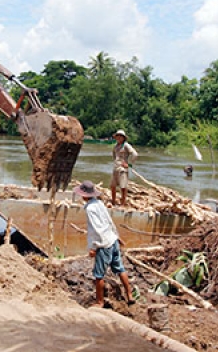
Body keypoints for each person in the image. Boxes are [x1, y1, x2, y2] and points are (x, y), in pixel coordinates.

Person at [73, 180, 136, 308]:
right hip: (112, 240)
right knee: (120, 268)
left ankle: (100, 302)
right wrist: (117, 236)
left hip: (104, 244)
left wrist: (93, 248)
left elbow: (96, 230)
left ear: (84, 195)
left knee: (98, 274)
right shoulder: (100, 203)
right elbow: (109, 221)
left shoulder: (90, 208)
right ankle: (129, 295)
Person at [110, 130, 138, 206]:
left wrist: (129, 165)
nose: (118, 137)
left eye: (120, 136)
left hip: (122, 169)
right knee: (112, 186)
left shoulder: (126, 145)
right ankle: (113, 202)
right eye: (117, 136)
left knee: (123, 187)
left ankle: (123, 204)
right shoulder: (115, 146)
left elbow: (135, 154)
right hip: (116, 168)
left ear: (123, 138)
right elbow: (114, 156)